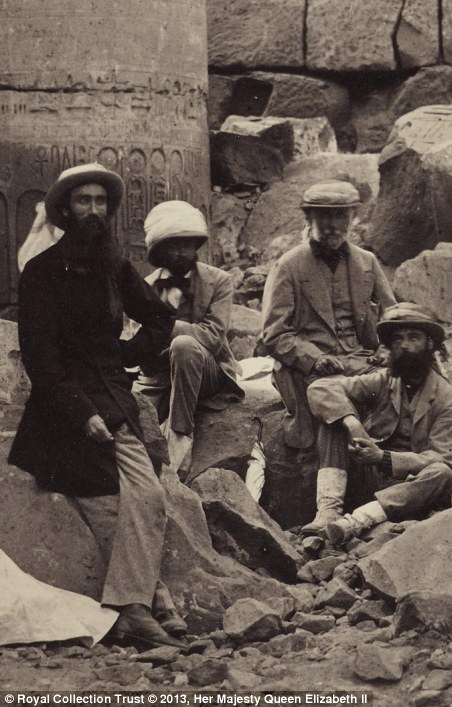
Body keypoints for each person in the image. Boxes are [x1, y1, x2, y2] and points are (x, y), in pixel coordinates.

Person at [8, 163, 185, 649]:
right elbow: (42, 363)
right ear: (65, 210)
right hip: (61, 412)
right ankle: (145, 609)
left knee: (147, 496)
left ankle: (138, 607)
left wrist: (124, 357)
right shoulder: (40, 273)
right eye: (83, 201)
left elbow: (160, 319)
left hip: (114, 401)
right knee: (108, 501)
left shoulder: (114, 267)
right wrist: (82, 412)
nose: (93, 210)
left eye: (100, 202)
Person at [261, 180, 397, 534]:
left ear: (353, 216)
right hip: (312, 369)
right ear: (308, 217)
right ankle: (329, 510)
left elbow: (393, 317)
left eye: (341, 216)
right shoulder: (289, 266)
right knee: (332, 407)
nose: (334, 225)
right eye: (325, 217)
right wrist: (311, 357)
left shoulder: (368, 262)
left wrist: (386, 347)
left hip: (363, 360)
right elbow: (274, 333)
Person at [306, 303, 452, 545]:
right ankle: (329, 510)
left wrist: (382, 458)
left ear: (430, 343)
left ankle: (358, 521)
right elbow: (321, 387)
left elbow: (443, 457)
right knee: (333, 419)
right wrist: (352, 423)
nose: (405, 345)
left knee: (441, 473)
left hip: (411, 486)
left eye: (414, 337)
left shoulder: (446, 398)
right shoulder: (383, 380)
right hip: (370, 479)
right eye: (398, 339)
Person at [134, 201, 244, 474]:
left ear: (196, 245)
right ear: (160, 250)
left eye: (188, 244)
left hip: (210, 371)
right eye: (174, 245)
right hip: (160, 377)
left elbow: (214, 337)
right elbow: (141, 345)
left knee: (184, 345)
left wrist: (167, 326)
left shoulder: (219, 281)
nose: (182, 251)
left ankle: (181, 433)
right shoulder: (147, 288)